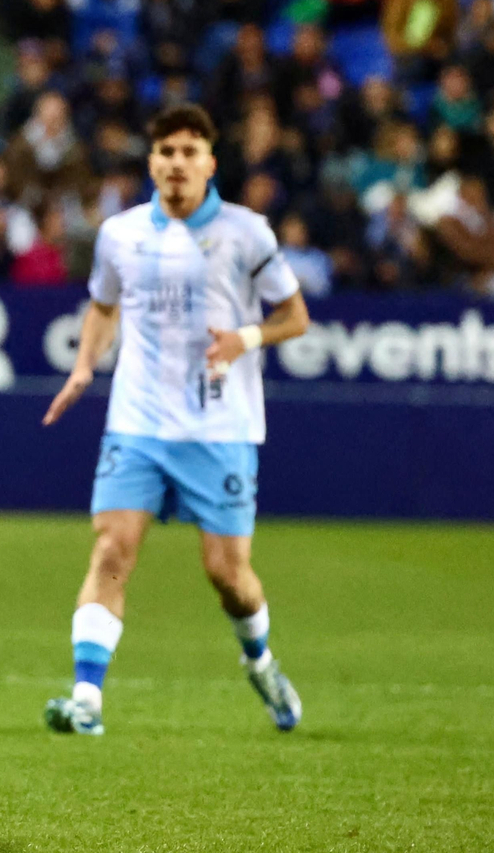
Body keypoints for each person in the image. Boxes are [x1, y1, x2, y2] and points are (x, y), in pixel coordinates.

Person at [41, 103, 311, 736]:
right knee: (111, 548)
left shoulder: (248, 233)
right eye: (166, 152)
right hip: (136, 422)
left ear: (210, 162)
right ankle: (87, 698)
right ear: (152, 162)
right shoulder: (121, 234)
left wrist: (246, 337)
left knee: (228, 575)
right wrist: (84, 366)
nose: (177, 164)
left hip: (220, 429)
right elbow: (104, 307)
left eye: (190, 152)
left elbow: (295, 317)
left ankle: (262, 662)